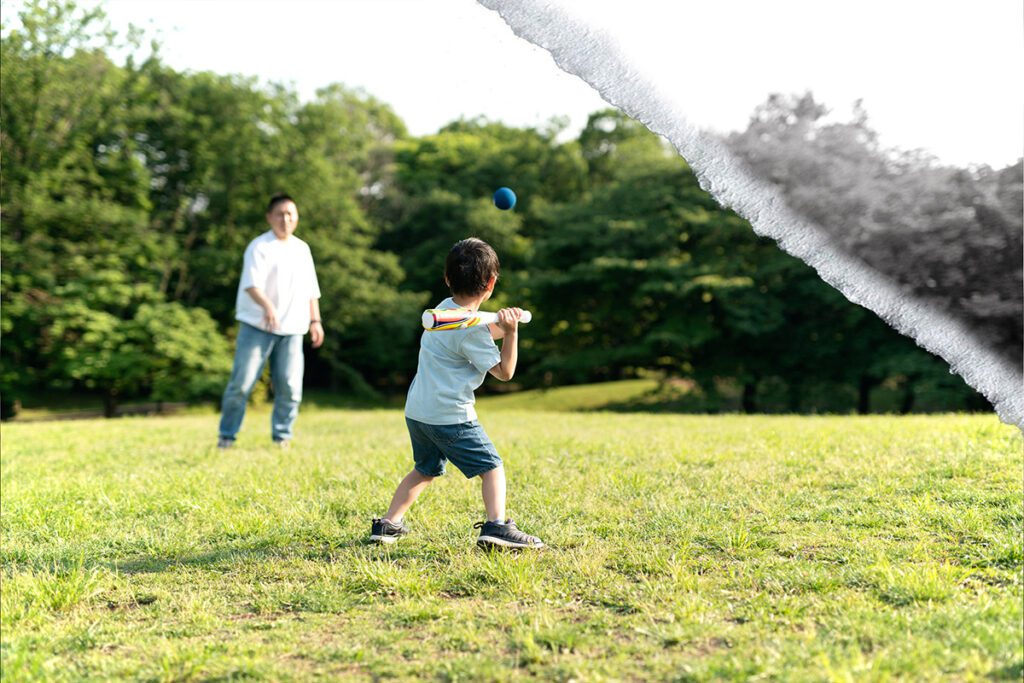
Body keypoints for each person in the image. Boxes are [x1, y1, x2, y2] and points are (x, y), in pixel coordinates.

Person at [370, 238, 544, 549]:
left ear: (448, 278)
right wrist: (512, 334)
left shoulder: (443, 310)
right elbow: (505, 372)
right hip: (450, 416)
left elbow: (479, 331)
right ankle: (497, 526)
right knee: (492, 467)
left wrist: (506, 324)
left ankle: (388, 525)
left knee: (425, 470)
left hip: (418, 412)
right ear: (490, 284)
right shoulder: (471, 330)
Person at [217, 193, 324, 449]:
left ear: (296, 218)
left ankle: (282, 437)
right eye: (280, 214)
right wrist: (268, 307)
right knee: (242, 384)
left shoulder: (302, 249)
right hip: (257, 326)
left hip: (293, 328)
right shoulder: (259, 246)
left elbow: (311, 290)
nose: (285, 219)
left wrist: (315, 321)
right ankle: (227, 437)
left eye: (290, 214)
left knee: (289, 387)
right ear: (269, 217)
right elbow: (251, 285)